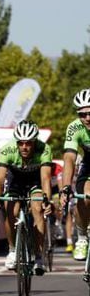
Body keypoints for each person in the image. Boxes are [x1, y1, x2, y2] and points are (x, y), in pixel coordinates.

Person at [0, 120, 52, 275]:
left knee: (37, 208)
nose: (24, 147)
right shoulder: (7, 150)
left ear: (35, 142)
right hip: (15, 180)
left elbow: (45, 178)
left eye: (28, 143)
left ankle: (39, 257)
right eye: (21, 143)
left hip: (35, 180)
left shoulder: (44, 149)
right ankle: (12, 250)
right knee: (11, 209)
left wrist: (47, 200)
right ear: (16, 142)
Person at [60, 88, 90, 261]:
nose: (87, 118)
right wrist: (65, 187)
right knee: (85, 198)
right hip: (88, 164)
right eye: (82, 114)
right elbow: (70, 159)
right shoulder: (74, 127)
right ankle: (82, 238)